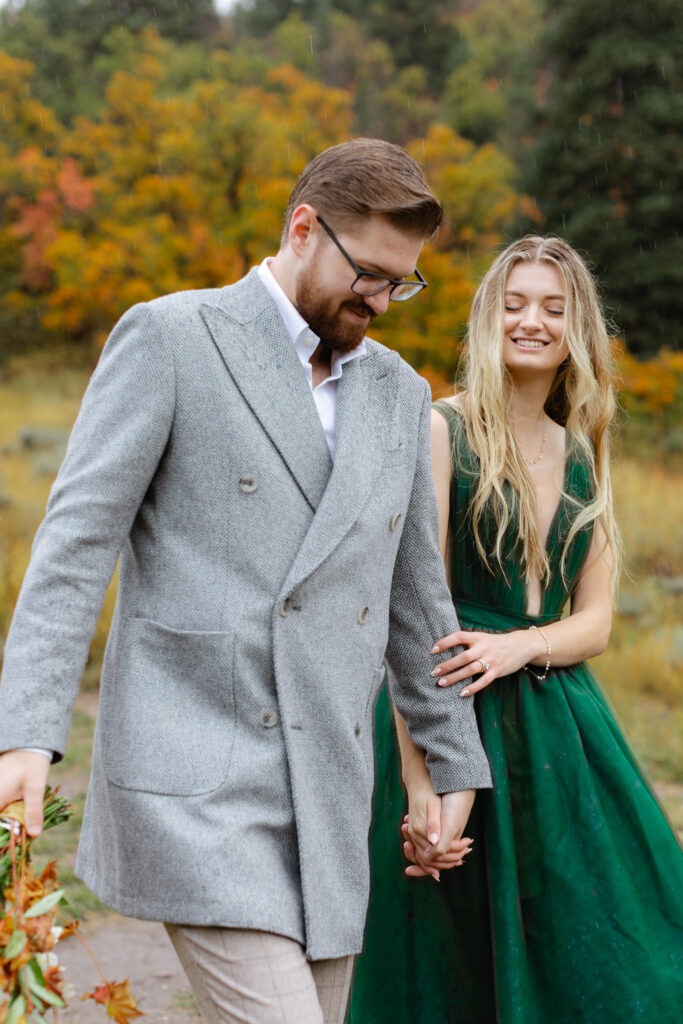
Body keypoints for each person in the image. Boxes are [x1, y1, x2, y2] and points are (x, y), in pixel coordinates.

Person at [0, 139, 492, 1024]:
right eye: (368, 273)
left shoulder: (398, 393)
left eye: (400, 283)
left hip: (331, 788)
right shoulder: (172, 337)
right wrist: (27, 732)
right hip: (197, 775)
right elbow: (76, 544)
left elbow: (417, 597)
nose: (380, 300)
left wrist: (452, 758)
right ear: (303, 227)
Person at [349, 236, 683, 1024]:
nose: (531, 322)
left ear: (577, 329)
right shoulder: (440, 429)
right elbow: (413, 610)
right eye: (514, 304)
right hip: (448, 709)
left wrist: (522, 645)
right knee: (444, 961)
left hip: (561, 727)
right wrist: (423, 782)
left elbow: (594, 622)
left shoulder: (583, 447)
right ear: (487, 318)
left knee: (607, 950)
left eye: (553, 309)